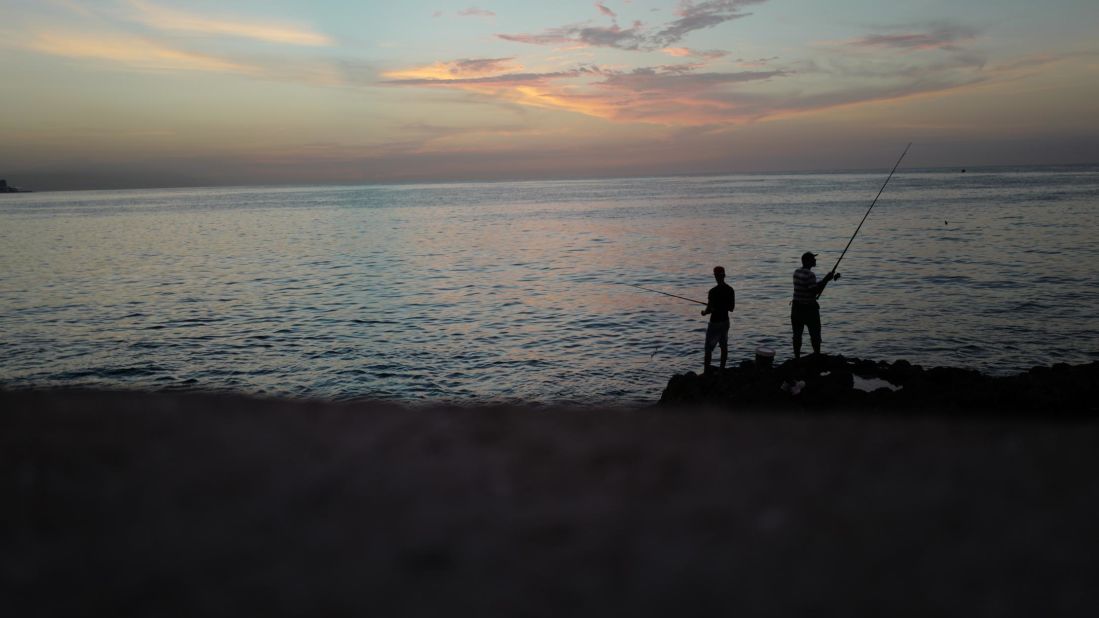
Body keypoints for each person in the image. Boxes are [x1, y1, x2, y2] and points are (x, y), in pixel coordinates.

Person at [791, 252, 838, 358]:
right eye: (813, 259)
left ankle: (797, 358)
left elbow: (810, 288)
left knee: (797, 335)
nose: (815, 260)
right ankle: (817, 355)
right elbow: (814, 291)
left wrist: (824, 281)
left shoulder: (796, 272)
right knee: (815, 334)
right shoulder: (810, 275)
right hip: (809, 310)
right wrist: (826, 280)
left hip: (796, 309)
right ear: (807, 261)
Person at [701, 266, 735, 371]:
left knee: (708, 349)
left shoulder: (713, 292)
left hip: (715, 323)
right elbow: (731, 308)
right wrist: (720, 307)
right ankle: (721, 370)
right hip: (725, 322)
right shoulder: (730, 290)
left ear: (715, 276)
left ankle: (706, 371)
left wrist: (704, 312)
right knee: (723, 347)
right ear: (724, 275)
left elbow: (709, 310)